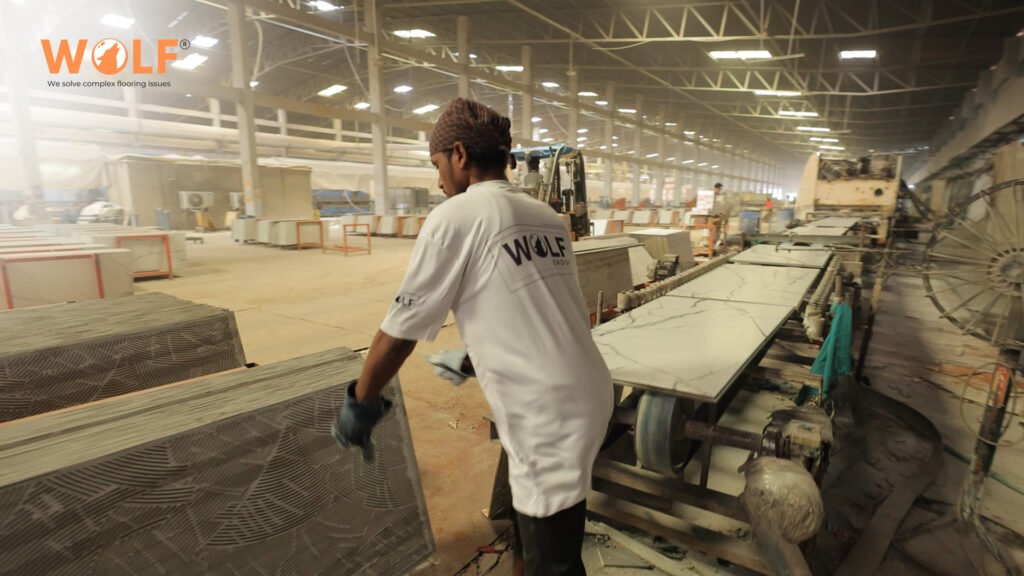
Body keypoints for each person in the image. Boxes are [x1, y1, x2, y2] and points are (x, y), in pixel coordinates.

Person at [333, 98, 615, 576]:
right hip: (584, 389)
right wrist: (474, 356)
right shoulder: (545, 217)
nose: (438, 179)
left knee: (556, 561)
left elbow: (399, 334)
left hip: (543, 410)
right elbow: (541, 311)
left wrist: (361, 402)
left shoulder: (457, 216)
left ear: (459, 155)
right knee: (531, 533)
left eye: (437, 164)